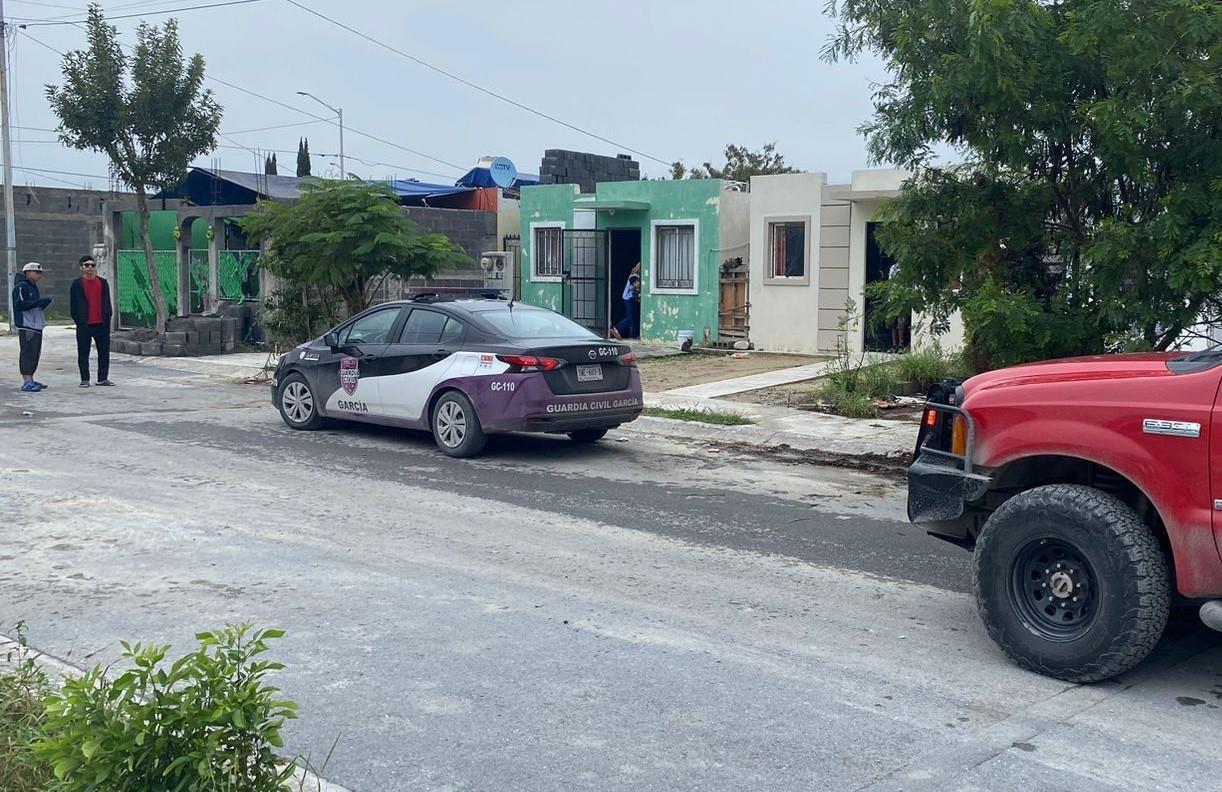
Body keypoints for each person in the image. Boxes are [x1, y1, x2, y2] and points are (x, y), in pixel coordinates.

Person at [69, 254, 114, 388]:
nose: (90, 268)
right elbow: (74, 306)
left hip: (101, 324)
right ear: (81, 268)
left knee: (104, 352)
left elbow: (107, 303)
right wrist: (79, 321)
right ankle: (84, 379)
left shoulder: (103, 282)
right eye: (86, 265)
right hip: (84, 325)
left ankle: (102, 378)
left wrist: (107, 318)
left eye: (92, 265)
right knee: (83, 353)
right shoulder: (76, 284)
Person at [12, 261, 51, 392]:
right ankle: (27, 381)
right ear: (28, 273)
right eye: (37, 272)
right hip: (27, 325)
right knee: (28, 352)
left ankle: (31, 378)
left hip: (36, 325)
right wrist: (37, 303)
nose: (39, 275)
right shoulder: (21, 286)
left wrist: (42, 304)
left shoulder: (33, 286)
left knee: (35, 353)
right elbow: (21, 305)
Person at [610, 264, 642, 340]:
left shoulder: (636, 276)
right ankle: (617, 328)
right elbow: (636, 286)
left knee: (633, 318)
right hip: (628, 299)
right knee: (630, 317)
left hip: (632, 299)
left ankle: (633, 335)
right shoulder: (634, 277)